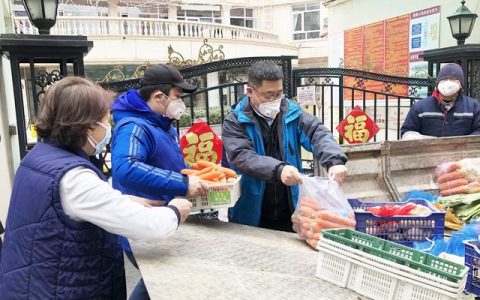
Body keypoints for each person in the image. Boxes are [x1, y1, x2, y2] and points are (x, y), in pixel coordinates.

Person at [0, 77, 192, 299]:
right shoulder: (74, 177)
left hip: (33, 284)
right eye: (106, 121)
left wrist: (123, 200)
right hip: (61, 289)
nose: (108, 129)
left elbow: (67, 207)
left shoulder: (38, 158)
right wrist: (175, 210)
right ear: (87, 125)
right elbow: (147, 227)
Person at [111, 64, 208, 300]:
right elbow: (126, 168)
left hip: (163, 220)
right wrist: (182, 183)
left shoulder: (158, 123)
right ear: (158, 96)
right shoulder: (134, 126)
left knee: (161, 282)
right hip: (145, 225)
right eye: (177, 97)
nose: (181, 103)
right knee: (163, 282)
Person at [221, 61, 348, 231]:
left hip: (289, 208)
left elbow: (316, 132)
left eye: (279, 94)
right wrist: (279, 170)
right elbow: (242, 156)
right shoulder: (235, 121)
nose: (275, 100)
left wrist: (334, 161)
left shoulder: (292, 113)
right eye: (269, 95)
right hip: (250, 211)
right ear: (250, 92)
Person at [401, 63, 480, 140]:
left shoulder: (473, 107)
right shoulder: (420, 107)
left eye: (453, 80)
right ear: (438, 84)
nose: (448, 83)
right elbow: (407, 132)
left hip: (462, 152)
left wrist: (461, 144)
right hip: (428, 152)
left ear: (461, 86)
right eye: (444, 79)